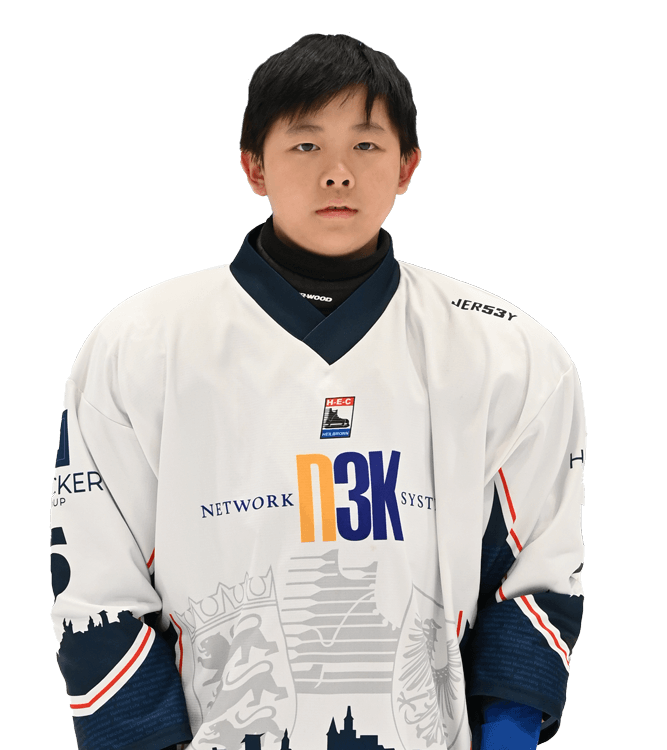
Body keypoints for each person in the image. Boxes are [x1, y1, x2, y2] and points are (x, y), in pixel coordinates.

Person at [50, 33, 585, 750]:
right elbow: (96, 580)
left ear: (407, 166)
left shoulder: (508, 353)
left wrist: (505, 741)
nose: (337, 173)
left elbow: (536, 570)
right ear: (253, 165)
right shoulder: (140, 344)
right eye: (305, 145)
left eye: (365, 145)